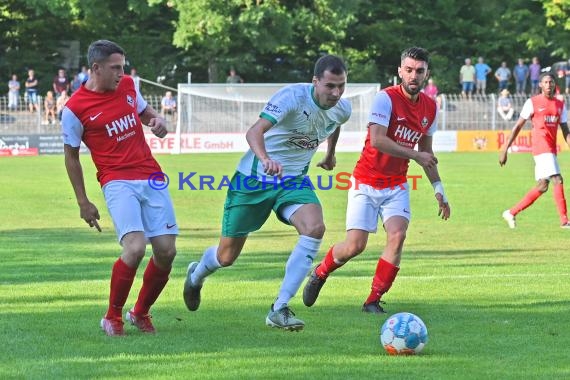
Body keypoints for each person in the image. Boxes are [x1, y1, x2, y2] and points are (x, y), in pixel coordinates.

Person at [183, 55, 352, 331]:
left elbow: (335, 123)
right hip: (254, 180)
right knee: (226, 257)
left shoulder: (342, 108)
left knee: (315, 227)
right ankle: (197, 274)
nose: (335, 93)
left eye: (341, 86)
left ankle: (279, 308)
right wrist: (264, 159)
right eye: (330, 86)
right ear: (315, 81)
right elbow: (254, 132)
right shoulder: (292, 98)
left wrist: (330, 154)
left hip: (293, 181)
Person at [302, 47, 450, 315]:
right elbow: (379, 140)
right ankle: (321, 272)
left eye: (419, 70)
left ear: (427, 73)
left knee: (398, 234)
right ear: (399, 72)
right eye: (408, 70)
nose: (413, 75)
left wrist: (439, 189)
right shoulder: (386, 99)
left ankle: (373, 299)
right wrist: (414, 154)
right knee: (354, 247)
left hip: (396, 185)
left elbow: (426, 155)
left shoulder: (430, 107)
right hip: (366, 182)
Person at [62, 39, 177, 336]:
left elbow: (147, 113)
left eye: (122, 67)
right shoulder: (74, 109)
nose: (120, 73)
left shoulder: (127, 86)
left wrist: (157, 121)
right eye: (115, 68)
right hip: (116, 180)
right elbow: (71, 157)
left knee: (166, 251)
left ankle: (139, 313)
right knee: (136, 247)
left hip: (150, 174)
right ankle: (112, 317)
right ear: (95, 68)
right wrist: (83, 202)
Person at [499, 72, 570, 228]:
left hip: (550, 149)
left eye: (551, 82)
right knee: (557, 179)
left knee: (543, 185)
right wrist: (505, 148)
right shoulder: (532, 102)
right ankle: (565, 221)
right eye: (545, 82)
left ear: (554, 84)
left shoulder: (560, 105)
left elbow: (565, 130)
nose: (548, 85)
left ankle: (511, 212)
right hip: (541, 147)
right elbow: (518, 126)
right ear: (540, 84)